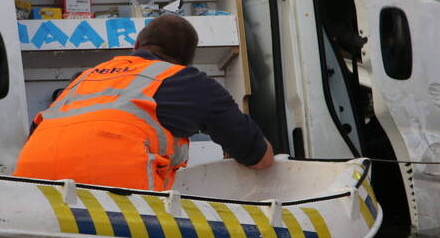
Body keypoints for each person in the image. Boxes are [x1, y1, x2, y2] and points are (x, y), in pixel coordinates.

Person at [14, 12, 274, 190]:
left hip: (32, 184)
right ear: (185, 61)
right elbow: (259, 158)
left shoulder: (83, 78)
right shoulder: (185, 80)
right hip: (117, 194)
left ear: (137, 44)